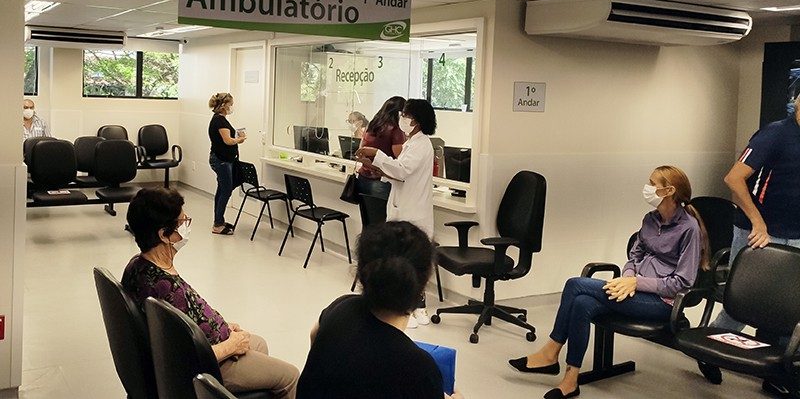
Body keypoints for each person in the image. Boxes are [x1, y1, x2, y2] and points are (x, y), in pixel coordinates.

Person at [508, 166, 709, 399]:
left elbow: (681, 282)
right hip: (634, 290)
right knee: (582, 303)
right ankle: (570, 379)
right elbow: (635, 255)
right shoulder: (650, 220)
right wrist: (627, 277)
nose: (648, 187)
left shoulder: (689, 229)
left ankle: (551, 352)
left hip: (663, 303)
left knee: (576, 284)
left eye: (653, 183)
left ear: (669, 191)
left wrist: (636, 283)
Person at [121, 187, 299, 397]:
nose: (187, 224)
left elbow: (191, 313)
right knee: (290, 376)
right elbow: (183, 360)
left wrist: (222, 324)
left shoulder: (139, 266)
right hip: (209, 364)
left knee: (258, 343)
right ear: (164, 234)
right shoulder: (164, 289)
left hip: (209, 343)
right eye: (182, 222)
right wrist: (230, 345)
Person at [701, 93, 800, 394]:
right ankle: (708, 349)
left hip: (795, 233)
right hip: (759, 232)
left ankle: (775, 373)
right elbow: (734, 179)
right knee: (742, 301)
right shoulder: (775, 134)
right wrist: (758, 222)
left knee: (786, 307)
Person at [296, 221, 463, 399]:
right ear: (421, 286)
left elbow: (315, 333)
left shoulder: (341, 306)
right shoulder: (419, 367)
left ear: (362, 272)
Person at [356, 98, 436, 328]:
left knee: (412, 263)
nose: (402, 119)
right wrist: (375, 167)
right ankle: (403, 308)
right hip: (401, 207)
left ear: (417, 121)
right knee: (399, 262)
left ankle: (417, 308)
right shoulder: (412, 143)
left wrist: (376, 155)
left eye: (406, 116)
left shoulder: (422, 145)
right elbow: (397, 174)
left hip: (414, 211)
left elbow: (402, 171)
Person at [208, 92, 246, 235]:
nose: (231, 107)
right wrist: (239, 140)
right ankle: (218, 225)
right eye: (230, 105)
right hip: (221, 160)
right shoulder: (219, 120)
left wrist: (236, 136)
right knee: (225, 190)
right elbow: (227, 141)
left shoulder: (220, 119)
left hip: (223, 159)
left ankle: (219, 220)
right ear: (223, 106)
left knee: (222, 189)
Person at [354, 96, 406, 201]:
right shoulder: (395, 129)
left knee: (367, 215)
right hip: (380, 180)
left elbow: (362, 147)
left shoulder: (372, 125)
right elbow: (401, 159)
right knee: (382, 216)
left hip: (363, 177)